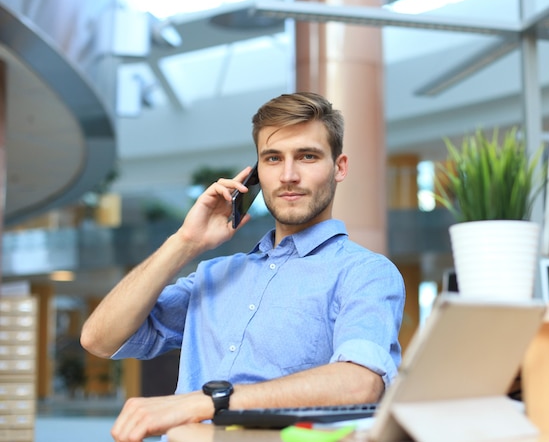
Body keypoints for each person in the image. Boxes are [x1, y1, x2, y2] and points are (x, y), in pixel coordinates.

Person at [80, 92, 405, 442]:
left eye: (307, 156)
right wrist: (185, 242)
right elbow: (99, 339)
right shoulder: (214, 275)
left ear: (338, 167)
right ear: (255, 175)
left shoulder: (364, 272)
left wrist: (208, 403)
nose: (289, 175)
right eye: (273, 158)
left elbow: (360, 383)